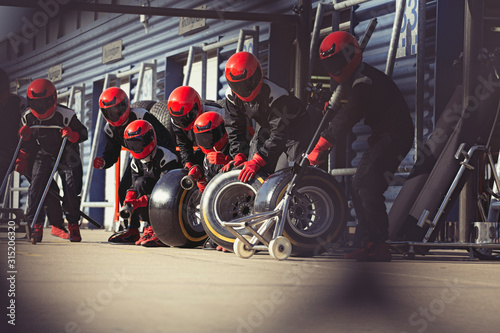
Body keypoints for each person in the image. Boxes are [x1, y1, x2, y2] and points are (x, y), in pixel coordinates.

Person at [307, 31, 414, 262]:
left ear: (350, 57)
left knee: (366, 185)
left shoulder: (363, 81)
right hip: (384, 135)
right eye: (330, 64)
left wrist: (322, 145)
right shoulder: (355, 79)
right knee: (360, 186)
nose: (334, 69)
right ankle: (368, 242)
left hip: (394, 135)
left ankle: (378, 245)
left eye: (337, 62)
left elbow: (349, 115)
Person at [94, 87, 176, 243]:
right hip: (138, 157)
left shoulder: (142, 115)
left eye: (117, 109)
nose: (115, 114)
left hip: (157, 155)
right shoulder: (110, 128)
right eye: (110, 112)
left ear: (125, 104)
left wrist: (158, 159)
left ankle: (154, 227)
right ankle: (131, 228)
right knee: (124, 188)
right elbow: (112, 152)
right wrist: (104, 161)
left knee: (153, 188)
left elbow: (163, 136)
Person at [222, 51, 311, 182]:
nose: (243, 90)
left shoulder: (277, 95)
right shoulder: (231, 96)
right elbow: (234, 128)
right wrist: (238, 154)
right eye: (238, 86)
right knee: (251, 169)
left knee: (296, 174)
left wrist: (259, 160)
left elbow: (279, 134)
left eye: (247, 83)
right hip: (266, 126)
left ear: (258, 75)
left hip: (296, 130)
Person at [19, 78, 88, 242]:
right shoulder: (28, 117)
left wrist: (72, 134)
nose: (40, 108)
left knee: (71, 190)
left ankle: (73, 225)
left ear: (53, 99)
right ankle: (34, 225)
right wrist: (25, 144)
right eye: (36, 104)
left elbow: (83, 133)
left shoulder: (66, 115)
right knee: (36, 187)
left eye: (43, 103)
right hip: (45, 153)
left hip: (67, 153)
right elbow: (27, 143)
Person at [120, 119, 181, 247]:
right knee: (139, 183)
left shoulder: (167, 157)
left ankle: (162, 231)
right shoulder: (135, 161)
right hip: (152, 197)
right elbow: (135, 186)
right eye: (131, 144)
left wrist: (139, 201)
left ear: (149, 138)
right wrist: (130, 199)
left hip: (173, 201)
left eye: (138, 143)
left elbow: (166, 193)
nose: (135, 148)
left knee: (145, 186)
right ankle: (144, 228)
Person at [167, 85, 225, 190]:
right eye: (178, 119)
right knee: (190, 169)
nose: (182, 123)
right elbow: (183, 144)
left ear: (196, 108)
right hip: (201, 148)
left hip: (220, 149)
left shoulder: (219, 113)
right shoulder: (175, 122)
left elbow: (233, 139)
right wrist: (188, 162)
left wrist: (226, 158)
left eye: (186, 118)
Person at [192, 111, 231, 251]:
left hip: (239, 198)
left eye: (208, 137)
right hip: (220, 202)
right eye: (201, 139)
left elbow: (246, 173)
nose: (206, 142)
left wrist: (227, 161)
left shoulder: (235, 145)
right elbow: (209, 189)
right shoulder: (206, 157)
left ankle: (234, 235)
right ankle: (218, 233)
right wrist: (201, 182)